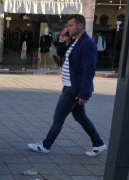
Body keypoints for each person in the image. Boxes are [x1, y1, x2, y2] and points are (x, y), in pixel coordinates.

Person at [27, 14, 107, 157]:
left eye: (70, 25)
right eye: (68, 25)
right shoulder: (75, 41)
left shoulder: (87, 43)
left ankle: (45, 146)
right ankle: (99, 143)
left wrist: (84, 92)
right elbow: (61, 53)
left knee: (58, 117)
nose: (67, 28)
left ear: (80, 25)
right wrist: (62, 40)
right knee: (80, 117)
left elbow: (89, 69)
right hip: (70, 86)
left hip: (73, 89)